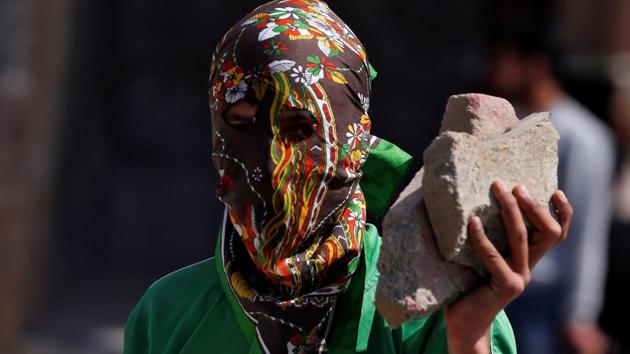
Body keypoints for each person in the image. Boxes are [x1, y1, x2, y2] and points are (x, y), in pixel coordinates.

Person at [124, 1, 573, 353]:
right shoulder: (168, 315)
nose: (272, 159)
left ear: (355, 139)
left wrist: (470, 333)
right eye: (241, 124)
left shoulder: (427, 308)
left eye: (301, 128)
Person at [486, 29, 615, 354]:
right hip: (493, 286)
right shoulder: (507, 124)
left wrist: (580, 314)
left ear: (534, 66)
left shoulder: (583, 138)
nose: (495, 69)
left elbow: (588, 228)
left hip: (542, 301)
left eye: (505, 58)